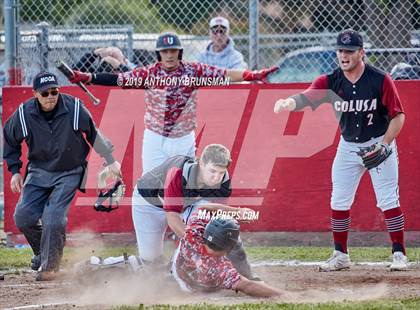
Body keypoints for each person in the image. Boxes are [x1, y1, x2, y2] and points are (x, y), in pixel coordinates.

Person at [273, 29, 407, 271]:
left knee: (388, 198)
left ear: (361, 53)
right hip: (349, 146)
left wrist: (385, 144)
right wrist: (287, 103)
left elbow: (398, 116)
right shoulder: (332, 80)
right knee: (339, 199)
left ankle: (399, 254)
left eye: (350, 51)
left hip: (378, 140)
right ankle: (340, 254)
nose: (344, 55)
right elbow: (307, 96)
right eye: (340, 51)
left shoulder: (380, 79)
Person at [69, 32, 277, 175]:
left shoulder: (194, 71)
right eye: (165, 51)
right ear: (159, 53)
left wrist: (252, 75)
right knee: (150, 185)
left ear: (179, 52)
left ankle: (180, 232)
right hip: (154, 137)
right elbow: (118, 79)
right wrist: (87, 76)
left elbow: (225, 74)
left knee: (183, 185)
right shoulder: (149, 73)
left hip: (183, 138)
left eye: (173, 51)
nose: (169, 55)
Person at [3, 72, 122, 281]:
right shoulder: (23, 115)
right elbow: (10, 140)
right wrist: (14, 172)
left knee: (53, 218)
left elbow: (93, 133)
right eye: (45, 93)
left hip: (70, 170)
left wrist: (110, 159)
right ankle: (45, 255)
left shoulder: (74, 108)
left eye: (55, 91)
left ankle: (50, 267)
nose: (50, 96)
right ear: (35, 95)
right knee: (23, 216)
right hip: (39, 170)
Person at [133, 143, 258, 279]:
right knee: (151, 263)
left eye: (221, 173)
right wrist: (197, 245)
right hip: (148, 203)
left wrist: (234, 213)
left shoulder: (223, 182)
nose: (216, 177)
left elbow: (218, 219)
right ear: (201, 164)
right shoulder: (178, 173)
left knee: (224, 230)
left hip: (186, 204)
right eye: (212, 171)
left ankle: (247, 276)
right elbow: (173, 217)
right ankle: (120, 263)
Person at [171, 215, 285, 297]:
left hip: (178, 271)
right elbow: (247, 286)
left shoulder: (193, 231)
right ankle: (248, 274)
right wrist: (285, 295)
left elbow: (205, 208)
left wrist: (233, 212)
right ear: (227, 249)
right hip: (196, 290)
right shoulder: (219, 268)